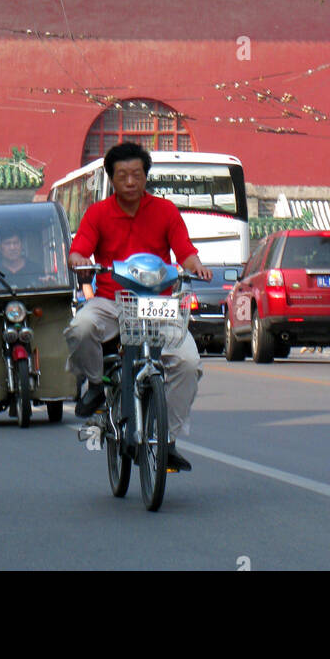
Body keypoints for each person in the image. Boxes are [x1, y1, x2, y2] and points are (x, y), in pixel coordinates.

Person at [64, 140, 212, 473]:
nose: (130, 182)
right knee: (80, 328)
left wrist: (195, 265)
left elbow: (185, 251)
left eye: (137, 175)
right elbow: (80, 250)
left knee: (187, 362)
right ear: (112, 180)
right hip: (111, 302)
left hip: (157, 304)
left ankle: (167, 440)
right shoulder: (97, 214)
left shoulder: (165, 211)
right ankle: (97, 384)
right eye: (122, 176)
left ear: (146, 177)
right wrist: (78, 261)